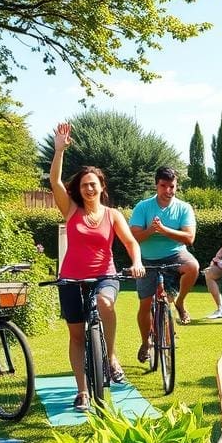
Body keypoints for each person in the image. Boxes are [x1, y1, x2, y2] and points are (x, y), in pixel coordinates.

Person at [49, 123, 145, 411]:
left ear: (102, 187)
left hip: (104, 275)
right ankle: (82, 391)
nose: (89, 188)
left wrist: (137, 262)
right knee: (77, 335)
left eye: (94, 184)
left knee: (105, 302)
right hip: (71, 280)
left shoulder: (113, 214)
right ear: (79, 189)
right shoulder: (71, 211)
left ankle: (111, 356)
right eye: (84, 185)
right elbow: (54, 182)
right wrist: (59, 151)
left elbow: (131, 243)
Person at [130, 167, 200, 362]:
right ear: (156, 185)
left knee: (193, 267)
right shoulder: (143, 207)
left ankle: (179, 302)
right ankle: (146, 342)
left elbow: (189, 238)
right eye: (163, 186)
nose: (168, 190)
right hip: (148, 260)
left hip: (175, 256)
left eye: (172, 186)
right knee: (145, 305)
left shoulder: (184, 207)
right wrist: (151, 230)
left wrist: (163, 229)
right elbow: (134, 237)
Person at [202, 225, 222, 319]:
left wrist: (217, 262)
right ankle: (220, 309)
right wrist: (213, 264)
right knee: (209, 273)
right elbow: (218, 256)